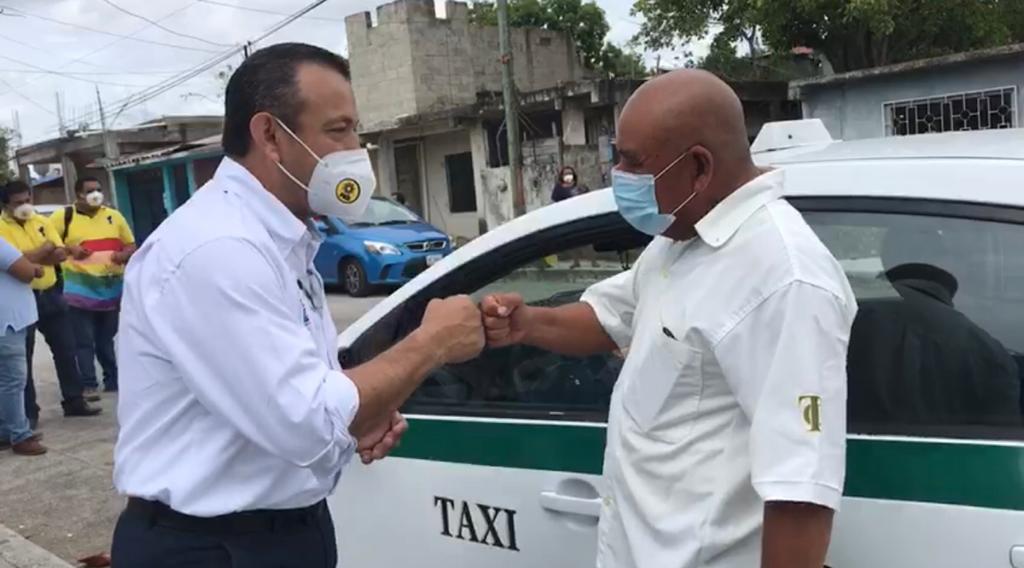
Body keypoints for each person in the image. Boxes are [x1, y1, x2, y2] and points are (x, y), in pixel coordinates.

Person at [111, 43, 485, 568]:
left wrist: (362, 414)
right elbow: (307, 421)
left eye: (354, 130)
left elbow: (297, 393)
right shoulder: (217, 250)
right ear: (270, 135)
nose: (355, 151)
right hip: (213, 547)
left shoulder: (281, 240)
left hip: (281, 531)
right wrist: (433, 342)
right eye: (338, 130)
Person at [482, 70, 857, 568]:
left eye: (632, 162)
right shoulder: (683, 237)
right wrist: (527, 323)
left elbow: (800, 494)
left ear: (699, 167)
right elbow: (611, 316)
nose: (617, 174)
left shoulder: (783, 278)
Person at [848, 226, 1020, 428]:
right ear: (945, 263)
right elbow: (1005, 438)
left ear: (886, 257)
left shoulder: (841, 317)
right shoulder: (986, 350)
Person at [0, 181, 101, 427]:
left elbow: (60, 253)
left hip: (51, 293)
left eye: (27, 200)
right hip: (21, 299)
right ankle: (28, 414)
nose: (25, 206)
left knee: (66, 349)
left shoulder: (41, 221)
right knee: (22, 359)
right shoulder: (2, 228)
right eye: (18, 203)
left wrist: (32, 257)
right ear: (5, 205)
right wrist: (42, 251)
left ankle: (74, 401)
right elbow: (14, 262)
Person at [51, 177, 136, 396]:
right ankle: (89, 384)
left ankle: (112, 379)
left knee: (106, 339)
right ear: (78, 194)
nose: (96, 194)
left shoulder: (114, 216)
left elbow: (131, 245)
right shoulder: (63, 217)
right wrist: (71, 250)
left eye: (98, 189)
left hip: (110, 291)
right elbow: (50, 246)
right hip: (79, 291)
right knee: (83, 341)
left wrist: (123, 255)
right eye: (89, 191)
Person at [0, 236, 47, 456]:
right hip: (7, 321)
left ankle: (6, 431)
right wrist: (34, 267)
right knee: (13, 380)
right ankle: (20, 435)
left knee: (5, 380)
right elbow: (25, 271)